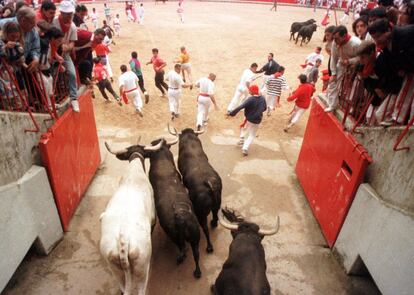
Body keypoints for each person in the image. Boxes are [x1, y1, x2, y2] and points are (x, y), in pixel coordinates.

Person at [325, 25, 361, 112]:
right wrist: (333, 73)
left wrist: (350, 61)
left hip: (355, 67)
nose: (335, 41)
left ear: (344, 36)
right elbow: (334, 58)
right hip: (341, 64)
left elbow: (361, 57)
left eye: (337, 38)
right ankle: (332, 105)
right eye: (334, 39)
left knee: (353, 86)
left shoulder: (356, 43)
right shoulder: (335, 42)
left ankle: (350, 106)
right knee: (333, 82)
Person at [52, 0, 79, 112]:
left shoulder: (72, 26)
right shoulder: (54, 23)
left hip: (65, 52)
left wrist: (67, 47)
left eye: (71, 14)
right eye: (67, 14)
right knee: (52, 76)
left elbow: (73, 42)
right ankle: (52, 101)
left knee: (72, 73)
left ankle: (74, 98)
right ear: (61, 12)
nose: (69, 16)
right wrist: (56, 50)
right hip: (53, 50)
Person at [229, 84, 267, 156]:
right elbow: (264, 108)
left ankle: (241, 139)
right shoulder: (262, 98)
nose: (249, 91)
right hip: (257, 120)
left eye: (250, 90)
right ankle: (245, 148)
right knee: (252, 135)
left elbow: (241, 106)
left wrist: (232, 113)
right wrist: (258, 110)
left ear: (252, 92)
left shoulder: (250, 99)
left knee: (243, 128)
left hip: (249, 119)